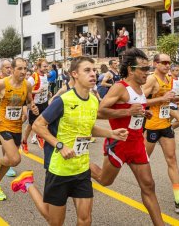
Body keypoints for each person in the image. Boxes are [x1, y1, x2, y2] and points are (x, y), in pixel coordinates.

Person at [11, 56, 128, 226]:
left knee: (85, 219)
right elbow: (38, 125)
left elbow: (87, 128)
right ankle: (27, 183)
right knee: (54, 221)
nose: (93, 74)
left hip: (81, 168)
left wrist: (111, 133)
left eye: (94, 70)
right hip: (59, 169)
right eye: (87, 70)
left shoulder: (94, 101)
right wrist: (60, 145)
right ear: (75, 74)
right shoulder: (63, 100)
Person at [90, 48, 165, 225]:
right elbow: (99, 112)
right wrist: (128, 111)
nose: (147, 73)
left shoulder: (140, 88)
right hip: (119, 143)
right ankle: (81, 166)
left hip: (137, 143)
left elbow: (135, 110)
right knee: (104, 180)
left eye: (148, 69)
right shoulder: (119, 87)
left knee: (148, 185)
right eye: (143, 69)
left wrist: (142, 113)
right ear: (131, 70)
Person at [143, 53, 179, 213]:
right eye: (164, 62)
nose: (167, 65)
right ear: (155, 64)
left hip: (166, 125)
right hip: (152, 126)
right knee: (143, 161)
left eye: (169, 62)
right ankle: (146, 192)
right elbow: (140, 101)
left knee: (172, 160)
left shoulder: (169, 79)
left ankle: (178, 200)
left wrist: (172, 100)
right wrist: (162, 99)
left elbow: (165, 99)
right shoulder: (151, 79)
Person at [0, 58, 38, 201]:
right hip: (2, 124)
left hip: (17, 126)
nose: (24, 71)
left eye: (25, 68)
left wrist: (32, 107)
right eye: (20, 68)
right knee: (15, 159)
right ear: (12, 69)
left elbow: (29, 100)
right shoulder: (2, 83)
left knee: (11, 160)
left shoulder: (27, 85)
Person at [22, 58, 50, 151]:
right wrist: (36, 91)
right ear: (38, 67)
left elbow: (44, 87)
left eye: (47, 66)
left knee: (45, 122)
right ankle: (24, 142)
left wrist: (48, 92)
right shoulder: (33, 77)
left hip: (44, 102)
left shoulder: (45, 76)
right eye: (45, 66)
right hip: (35, 104)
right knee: (31, 125)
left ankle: (39, 136)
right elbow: (25, 91)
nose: (47, 68)